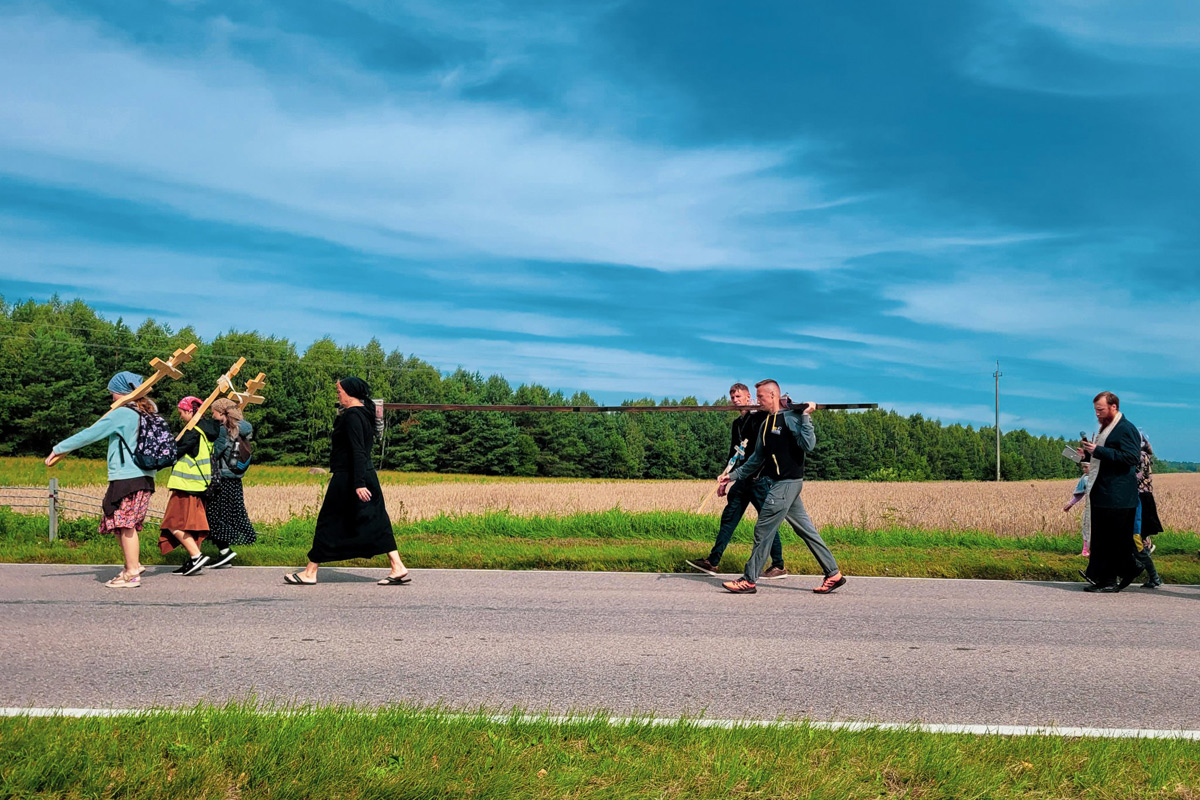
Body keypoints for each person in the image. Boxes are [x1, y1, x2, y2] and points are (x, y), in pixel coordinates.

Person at [717, 379, 846, 595]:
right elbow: (756, 459)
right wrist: (731, 476)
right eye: (757, 398)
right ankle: (833, 574)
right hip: (781, 484)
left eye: (761, 398)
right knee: (806, 530)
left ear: (773, 396)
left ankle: (749, 580)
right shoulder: (766, 423)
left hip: (787, 483)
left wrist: (806, 417)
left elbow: (808, 445)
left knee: (763, 529)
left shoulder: (791, 418)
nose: (758, 402)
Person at [284, 377, 409, 586]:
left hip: (349, 476)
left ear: (350, 392)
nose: (338, 394)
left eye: (339, 391)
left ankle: (310, 572)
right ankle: (397, 566)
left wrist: (358, 483)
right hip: (365, 474)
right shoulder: (364, 414)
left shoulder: (352, 416)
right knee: (375, 519)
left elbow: (357, 450)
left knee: (329, 520)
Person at [45, 371, 157, 588]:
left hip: (127, 476)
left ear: (123, 392)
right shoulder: (148, 412)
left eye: (113, 393)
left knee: (124, 523)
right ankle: (132, 564)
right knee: (116, 519)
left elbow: (90, 433)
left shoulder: (123, 413)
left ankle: (132, 573)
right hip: (144, 476)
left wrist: (58, 449)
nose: (111, 398)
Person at [686, 383, 787, 579]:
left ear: (749, 397)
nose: (735, 400)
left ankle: (778, 565)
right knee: (729, 519)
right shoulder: (737, 424)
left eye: (739, 396)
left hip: (759, 479)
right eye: (732, 397)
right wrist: (725, 478)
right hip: (741, 480)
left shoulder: (759, 418)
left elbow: (764, 447)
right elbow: (734, 453)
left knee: (766, 522)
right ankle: (712, 561)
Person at [1077, 391, 1141, 593]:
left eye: (1101, 410)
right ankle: (1106, 576)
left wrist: (1098, 451)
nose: (1097, 414)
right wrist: (1088, 454)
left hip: (1117, 495)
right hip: (1105, 492)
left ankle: (1111, 579)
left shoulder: (1125, 428)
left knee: (1112, 540)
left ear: (1114, 407)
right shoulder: (1108, 428)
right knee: (1104, 539)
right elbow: (1106, 458)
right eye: (1096, 410)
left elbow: (1131, 457)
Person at [159, 397, 217, 576]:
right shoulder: (207, 431)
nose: (181, 416)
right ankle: (193, 560)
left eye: (182, 412)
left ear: (190, 412)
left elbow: (175, 452)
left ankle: (196, 555)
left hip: (186, 486)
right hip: (199, 485)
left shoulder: (192, 432)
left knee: (173, 523)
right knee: (191, 525)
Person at [201, 397, 258, 568]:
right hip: (235, 480)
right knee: (229, 515)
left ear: (221, 413)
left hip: (222, 479)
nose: (212, 415)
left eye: (214, 412)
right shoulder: (241, 429)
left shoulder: (222, 431)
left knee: (211, 516)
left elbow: (214, 453)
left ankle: (226, 551)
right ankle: (224, 552)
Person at [1134, 431, 1163, 589]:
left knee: (1138, 539)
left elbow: (1135, 477)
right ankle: (1154, 577)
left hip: (1141, 500)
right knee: (1140, 539)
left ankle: (1153, 576)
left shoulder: (1138, 456)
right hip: (1145, 498)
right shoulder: (1145, 454)